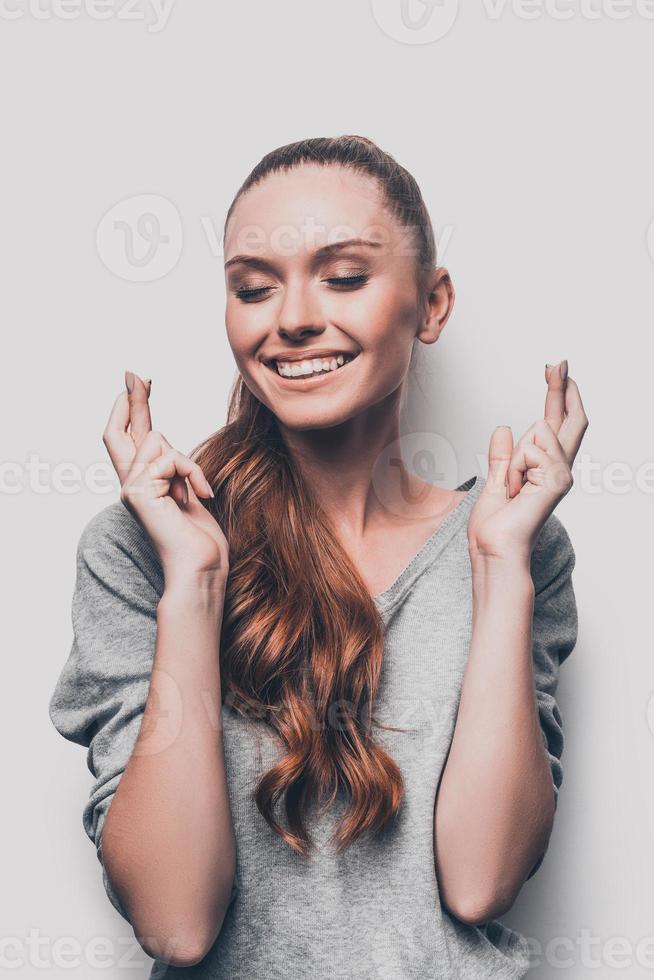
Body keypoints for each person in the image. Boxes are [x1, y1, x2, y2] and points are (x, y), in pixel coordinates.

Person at [49, 135, 588, 979]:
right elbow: (176, 921)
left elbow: (483, 882)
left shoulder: (515, 540)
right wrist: (194, 583)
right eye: (253, 287)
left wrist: (501, 566)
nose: (292, 316)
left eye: (343, 276)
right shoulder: (139, 549)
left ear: (432, 303)